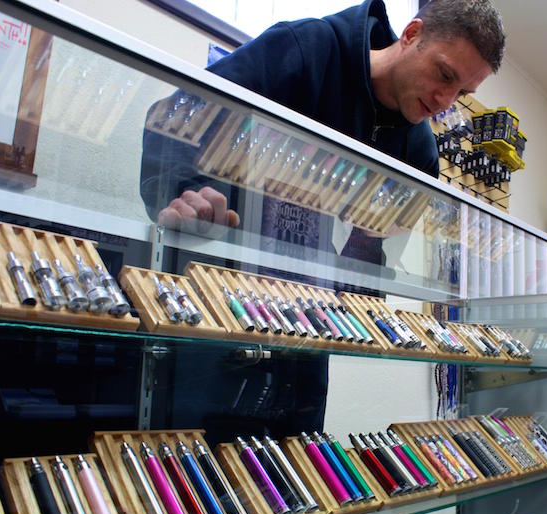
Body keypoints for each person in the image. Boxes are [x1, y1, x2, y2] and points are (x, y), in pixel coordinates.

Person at [138, 0, 505, 437]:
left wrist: (364, 272)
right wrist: (186, 191)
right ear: (411, 35)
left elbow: (375, 262)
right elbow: (178, 115)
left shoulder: (420, 154)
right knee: (191, 476)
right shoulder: (304, 50)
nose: (445, 102)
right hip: (215, 312)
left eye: (462, 93)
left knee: (291, 485)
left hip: (309, 339)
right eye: (445, 75)